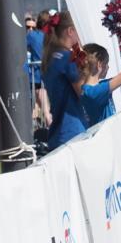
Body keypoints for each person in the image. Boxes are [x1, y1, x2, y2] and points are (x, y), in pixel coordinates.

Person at [41, 11, 91, 150]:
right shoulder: (68, 58)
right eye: (79, 29)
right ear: (70, 31)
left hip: (59, 132)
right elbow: (86, 94)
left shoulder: (51, 57)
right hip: (74, 132)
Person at [78, 41, 121, 127]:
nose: (108, 67)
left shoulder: (98, 87)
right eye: (106, 63)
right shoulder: (94, 92)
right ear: (99, 65)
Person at [25, 12, 50, 126]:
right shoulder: (51, 36)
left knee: (44, 110)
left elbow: (21, 47)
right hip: (48, 75)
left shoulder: (32, 36)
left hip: (38, 77)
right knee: (43, 108)